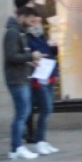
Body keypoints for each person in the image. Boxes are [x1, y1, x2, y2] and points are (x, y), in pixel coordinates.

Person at [5, 5, 43, 159]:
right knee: (22, 113)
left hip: (21, 76)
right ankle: (16, 147)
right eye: (28, 18)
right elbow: (11, 56)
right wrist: (31, 57)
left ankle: (17, 146)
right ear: (21, 17)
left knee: (23, 112)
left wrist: (30, 62)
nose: (30, 21)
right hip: (17, 79)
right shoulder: (12, 33)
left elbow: (17, 57)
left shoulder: (19, 32)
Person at [24, 9, 59, 154]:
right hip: (38, 76)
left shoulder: (42, 35)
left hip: (48, 74)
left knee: (47, 109)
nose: (36, 24)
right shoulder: (27, 37)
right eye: (32, 21)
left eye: (38, 21)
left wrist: (53, 47)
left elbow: (50, 53)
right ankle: (39, 141)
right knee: (46, 108)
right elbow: (29, 54)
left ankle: (42, 140)